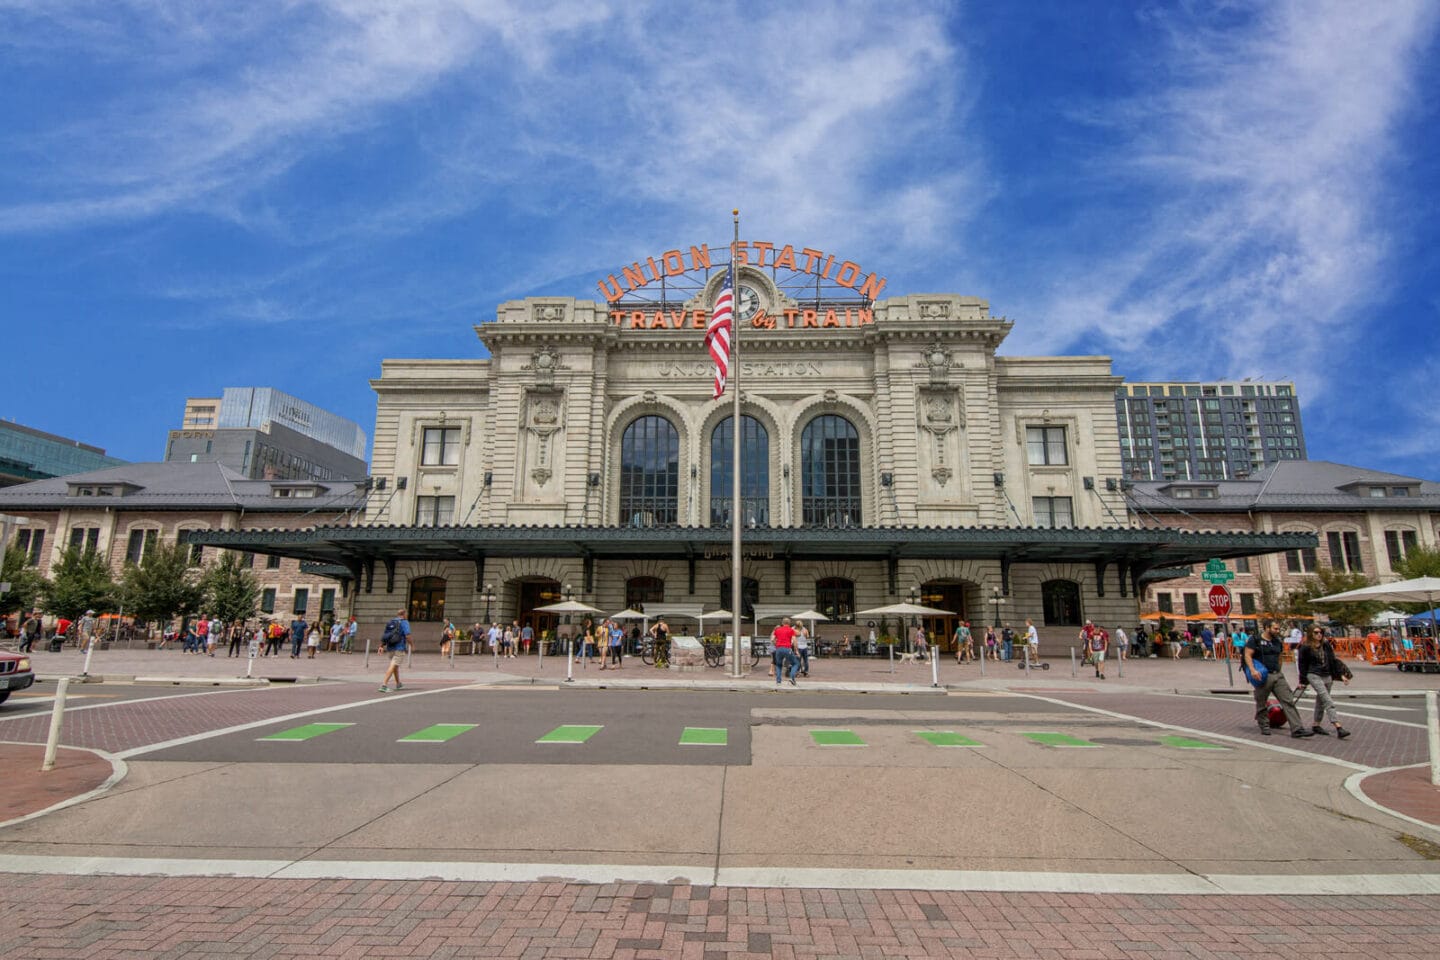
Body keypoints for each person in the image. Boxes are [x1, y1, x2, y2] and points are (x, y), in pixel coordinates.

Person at [1244, 620, 1311, 739]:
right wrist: (1253, 670)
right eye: (1275, 628)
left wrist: (1279, 671)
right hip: (1263, 675)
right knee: (1261, 702)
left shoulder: (1277, 641)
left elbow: (1279, 657)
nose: (1277, 631)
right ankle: (1264, 725)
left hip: (1277, 675)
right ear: (1266, 627)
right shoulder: (1255, 640)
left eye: (1278, 629)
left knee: (1288, 700)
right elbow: (1247, 655)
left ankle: (1297, 728)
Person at [1296, 625, 1353, 739]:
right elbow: (1302, 665)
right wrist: (1303, 681)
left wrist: (1341, 675)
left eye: (1321, 632)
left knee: (1321, 700)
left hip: (1327, 675)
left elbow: (1333, 660)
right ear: (1311, 633)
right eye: (1316, 632)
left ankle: (1316, 725)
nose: (1319, 634)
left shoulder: (1326, 645)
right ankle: (1338, 726)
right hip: (1314, 674)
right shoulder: (1305, 647)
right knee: (1327, 700)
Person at [378, 609, 411, 693]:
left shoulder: (391, 622)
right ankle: (384, 685)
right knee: (393, 666)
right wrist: (412, 644)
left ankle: (398, 683)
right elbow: (407, 635)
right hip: (399, 648)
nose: (407, 615)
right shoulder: (404, 622)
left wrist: (381, 646)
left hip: (390, 648)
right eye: (407, 614)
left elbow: (385, 635)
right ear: (404, 614)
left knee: (395, 666)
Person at [771, 616, 798, 685]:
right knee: (795, 663)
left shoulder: (777, 630)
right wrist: (796, 650)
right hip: (787, 648)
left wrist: (776, 645)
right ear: (789, 623)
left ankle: (778, 681)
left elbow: (772, 639)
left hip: (778, 649)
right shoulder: (791, 630)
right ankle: (792, 678)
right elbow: (794, 640)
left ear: (782, 623)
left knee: (778, 665)